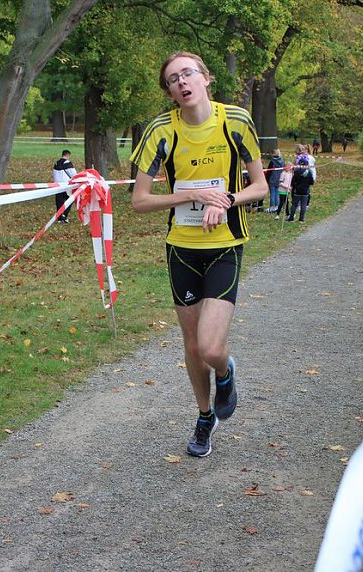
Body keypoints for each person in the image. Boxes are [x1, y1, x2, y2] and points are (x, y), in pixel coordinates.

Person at [130, 51, 268, 458]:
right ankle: (205, 417)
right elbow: (139, 201)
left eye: (188, 73)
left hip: (225, 245)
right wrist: (192, 193)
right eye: (173, 79)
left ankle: (225, 373)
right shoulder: (161, 131)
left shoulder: (236, 121)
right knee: (191, 345)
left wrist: (226, 199)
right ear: (170, 92)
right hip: (182, 250)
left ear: (206, 78)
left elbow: (260, 187)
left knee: (210, 347)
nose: (182, 82)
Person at [53, 149, 77, 223]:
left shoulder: (56, 163)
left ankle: (60, 218)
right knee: (69, 200)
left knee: (59, 202)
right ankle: (65, 215)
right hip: (66, 185)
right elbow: (73, 174)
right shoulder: (67, 163)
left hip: (57, 185)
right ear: (68, 155)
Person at [287, 156, 314, 222]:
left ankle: (291, 218)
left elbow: (293, 182)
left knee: (294, 205)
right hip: (305, 191)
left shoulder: (296, 172)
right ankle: (301, 219)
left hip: (297, 191)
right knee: (303, 205)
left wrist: (294, 186)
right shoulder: (309, 173)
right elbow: (311, 182)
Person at [265, 149, 284, 214]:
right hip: (279, 178)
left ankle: (272, 206)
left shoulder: (272, 161)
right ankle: (277, 206)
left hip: (272, 179)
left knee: (272, 193)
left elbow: (269, 171)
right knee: (277, 193)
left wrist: (267, 179)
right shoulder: (282, 161)